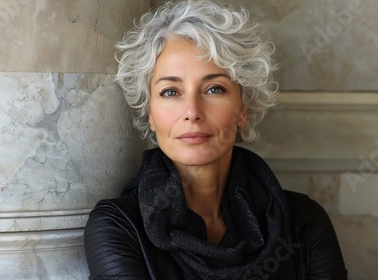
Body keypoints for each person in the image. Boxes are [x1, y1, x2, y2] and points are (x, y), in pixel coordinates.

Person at [83, 0, 347, 279]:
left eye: (214, 89)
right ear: (149, 113)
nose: (192, 113)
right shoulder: (119, 225)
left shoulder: (304, 222)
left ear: (243, 109)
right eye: (171, 92)